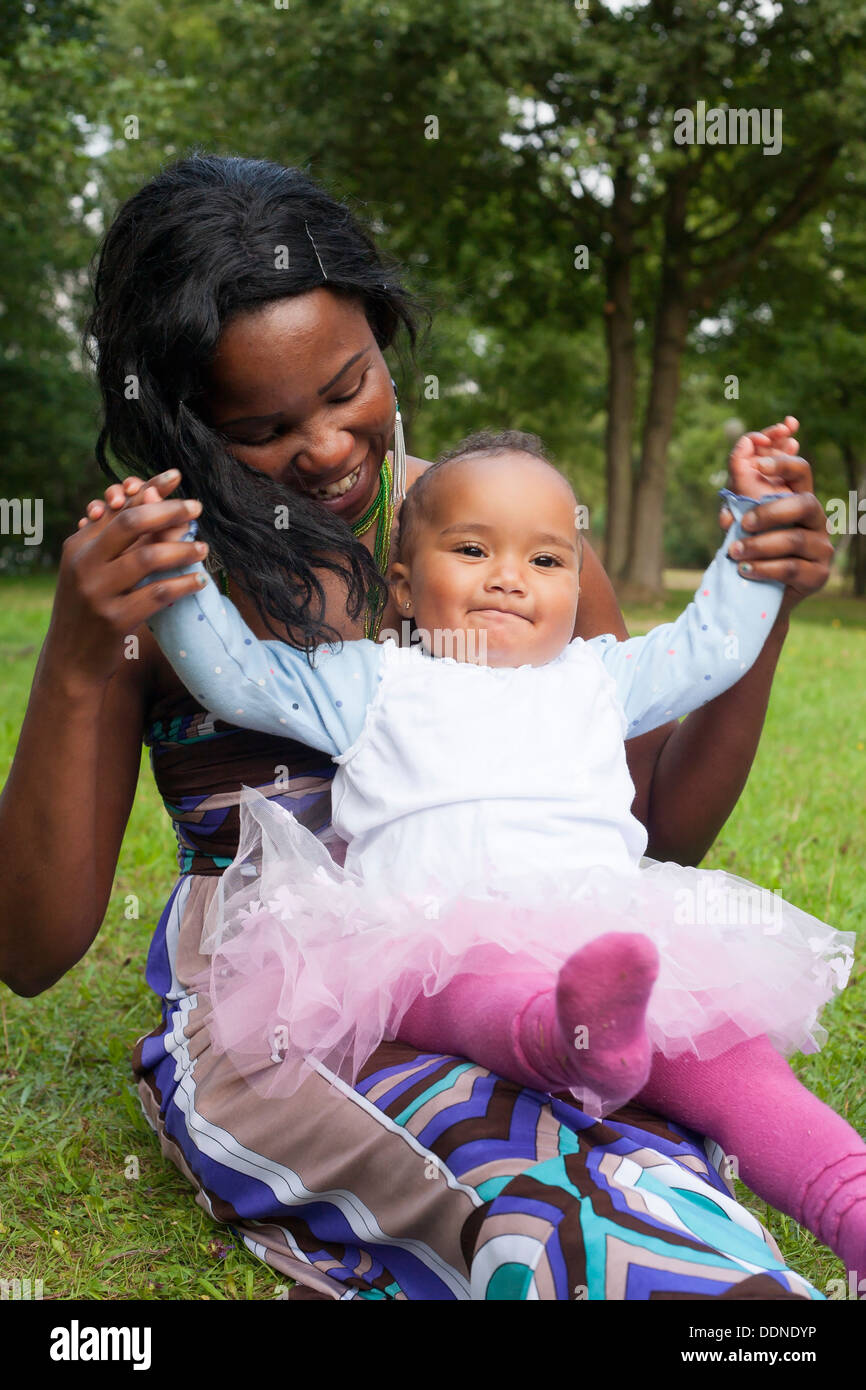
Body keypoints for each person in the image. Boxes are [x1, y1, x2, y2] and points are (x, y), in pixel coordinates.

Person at [1, 154, 838, 1300]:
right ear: (184, 421)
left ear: (385, 337)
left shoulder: (501, 532)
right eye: (262, 424)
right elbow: (31, 948)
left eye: (349, 385)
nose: (331, 448)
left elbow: (650, 835)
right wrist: (85, 647)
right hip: (288, 1005)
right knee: (502, 1174)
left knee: (643, 1145)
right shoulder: (170, 581)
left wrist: (763, 602)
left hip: (536, 955)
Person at [138, 429, 861, 1273]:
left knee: (735, 1063)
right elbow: (237, 678)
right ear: (404, 584)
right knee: (480, 986)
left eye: (547, 562)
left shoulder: (599, 678)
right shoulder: (372, 680)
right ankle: (561, 1037)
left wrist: (755, 527)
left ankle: (846, 1203)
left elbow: (713, 647)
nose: (510, 577)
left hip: (602, 934)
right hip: (427, 940)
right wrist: (174, 580)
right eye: (473, 549)